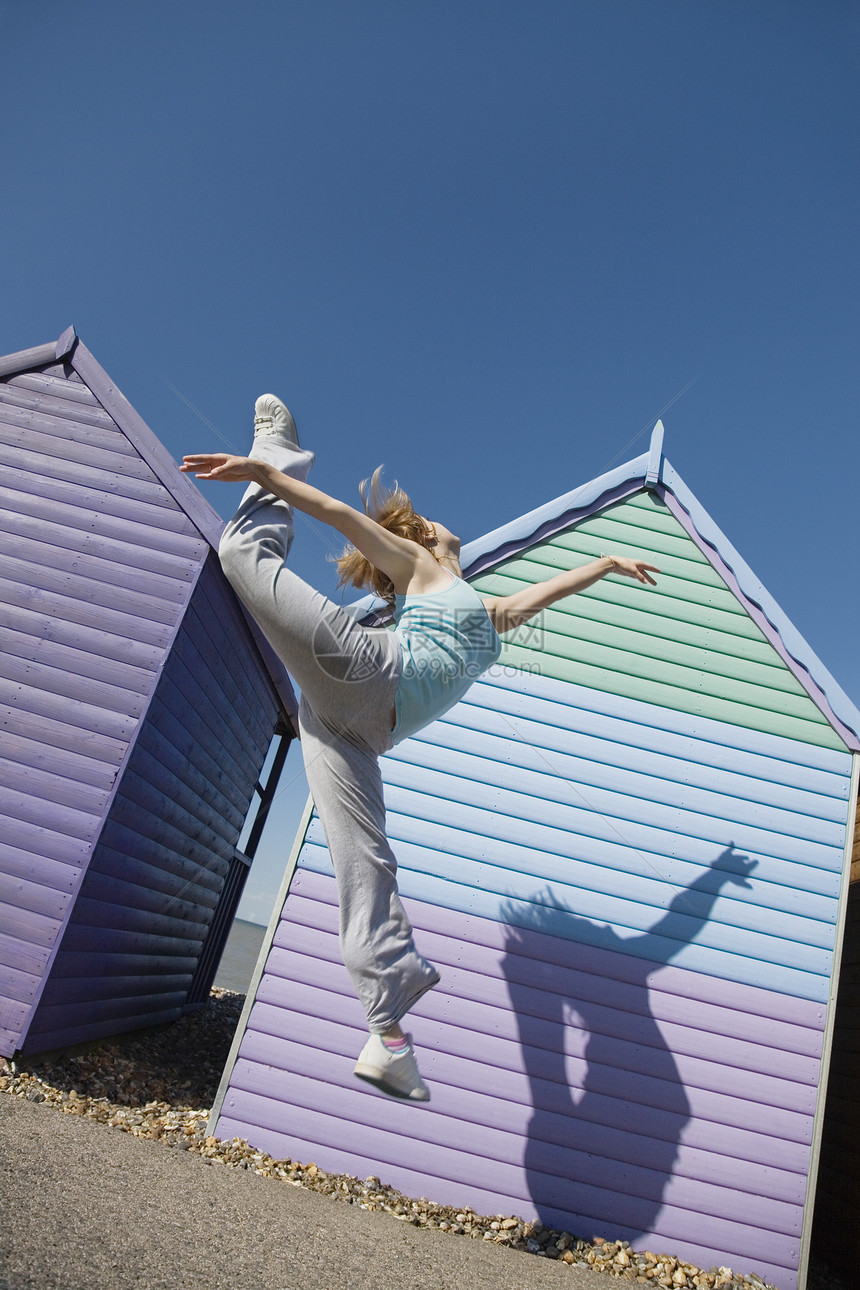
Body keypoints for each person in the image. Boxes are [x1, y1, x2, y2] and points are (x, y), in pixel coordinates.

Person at [181, 395, 658, 1103]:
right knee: (240, 556)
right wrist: (270, 477)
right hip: (371, 671)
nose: (436, 522)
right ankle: (278, 450)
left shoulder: (490, 613)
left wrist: (606, 562)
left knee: (365, 862)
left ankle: (389, 1032)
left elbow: (548, 591)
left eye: (430, 523)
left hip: (360, 729)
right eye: (430, 525)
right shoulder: (418, 566)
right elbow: (342, 515)